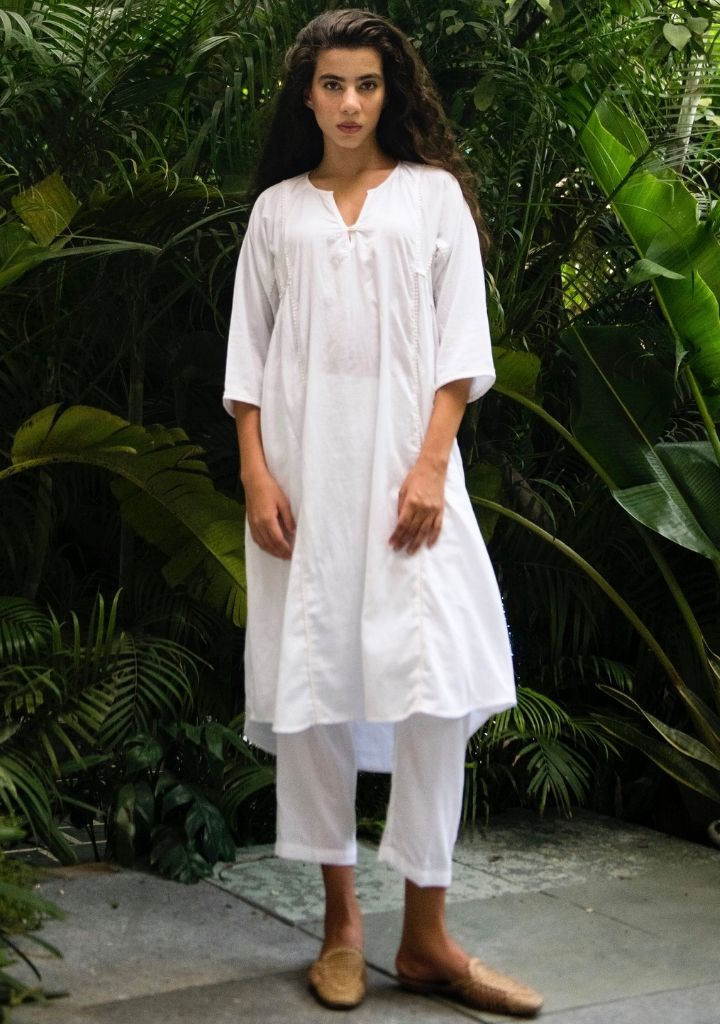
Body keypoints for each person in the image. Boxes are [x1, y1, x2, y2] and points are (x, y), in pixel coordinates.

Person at [223, 8, 543, 1017]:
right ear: (307, 96)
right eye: (333, 85)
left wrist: (432, 465)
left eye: (367, 84)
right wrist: (256, 475)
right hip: (303, 486)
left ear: (389, 92)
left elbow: (460, 344)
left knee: (434, 683)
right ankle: (343, 930)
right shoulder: (278, 212)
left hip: (412, 483)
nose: (351, 103)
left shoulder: (433, 197)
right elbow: (246, 360)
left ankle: (429, 936)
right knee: (316, 683)